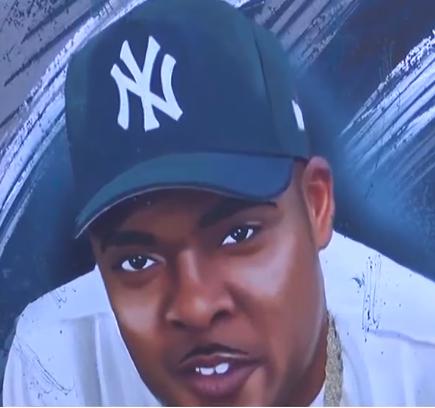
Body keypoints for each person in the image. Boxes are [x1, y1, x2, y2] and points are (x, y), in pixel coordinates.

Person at [3, 0, 435, 405]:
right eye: (137, 261)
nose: (195, 306)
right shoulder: (56, 362)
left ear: (316, 205)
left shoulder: (418, 361)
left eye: (238, 235)